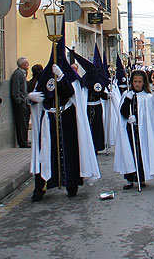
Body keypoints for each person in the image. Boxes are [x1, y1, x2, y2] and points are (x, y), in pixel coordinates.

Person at [26, 28, 100, 201]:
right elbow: (43, 94)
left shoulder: (70, 77)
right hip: (49, 119)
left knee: (70, 151)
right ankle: (41, 186)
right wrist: (32, 99)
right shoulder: (45, 76)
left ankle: (71, 183)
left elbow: (72, 93)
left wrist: (61, 79)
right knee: (46, 153)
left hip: (67, 118)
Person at [114, 70, 154, 190]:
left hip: (143, 132)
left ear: (143, 83)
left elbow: (150, 118)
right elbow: (122, 112)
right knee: (129, 152)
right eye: (135, 81)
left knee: (141, 153)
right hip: (129, 130)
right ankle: (129, 179)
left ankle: (141, 177)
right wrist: (128, 111)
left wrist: (139, 120)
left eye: (140, 82)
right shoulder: (126, 95)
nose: (137, 84)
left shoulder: (148, 97)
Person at [10, 57, 31, 148]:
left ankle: (25, 139)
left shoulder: (23, 73)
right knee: (21, 122)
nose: (28, 65)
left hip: (25, 101)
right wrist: (19, 101)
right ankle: (22, 141)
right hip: (21, 102)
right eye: (26, 63)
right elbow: (16, 89)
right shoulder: (18, 74)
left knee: (25, 121)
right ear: (22, 65)